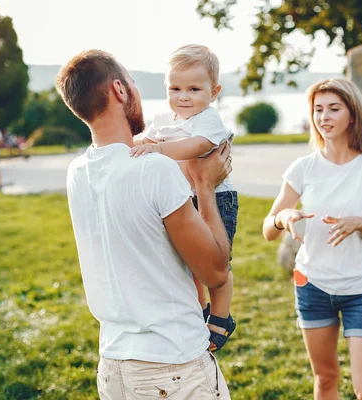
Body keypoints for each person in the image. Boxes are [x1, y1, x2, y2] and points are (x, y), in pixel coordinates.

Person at [56, 49, 233, 399]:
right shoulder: (153, 168)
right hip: (173, 365)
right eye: (134, 83)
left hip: (113, 364)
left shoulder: (78, 171)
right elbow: (215, 271)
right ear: (120, 90)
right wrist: (206, 186)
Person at [262, 78, 362, 400]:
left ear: (352, 115)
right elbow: (268, 228)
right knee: (325, 380)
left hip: (361, 287)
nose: (324, 117)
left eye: (333, 109)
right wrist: (284, 217)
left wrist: (361, 223)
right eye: (318, 109)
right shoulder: (303, 168)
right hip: (313, 285)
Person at [130, 44, 238, 353]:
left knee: (218, 259)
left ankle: (220, 315)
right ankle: (198, 308)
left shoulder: (207, 120)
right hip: (182, 196)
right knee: (189, 261)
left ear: (213, 92)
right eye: (175, 88)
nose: (184, 96)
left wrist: (159, 149)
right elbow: (146, 139)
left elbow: (197, 146)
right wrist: (132, 146)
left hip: (218, 196)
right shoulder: (165, 118)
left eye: (194, 88)